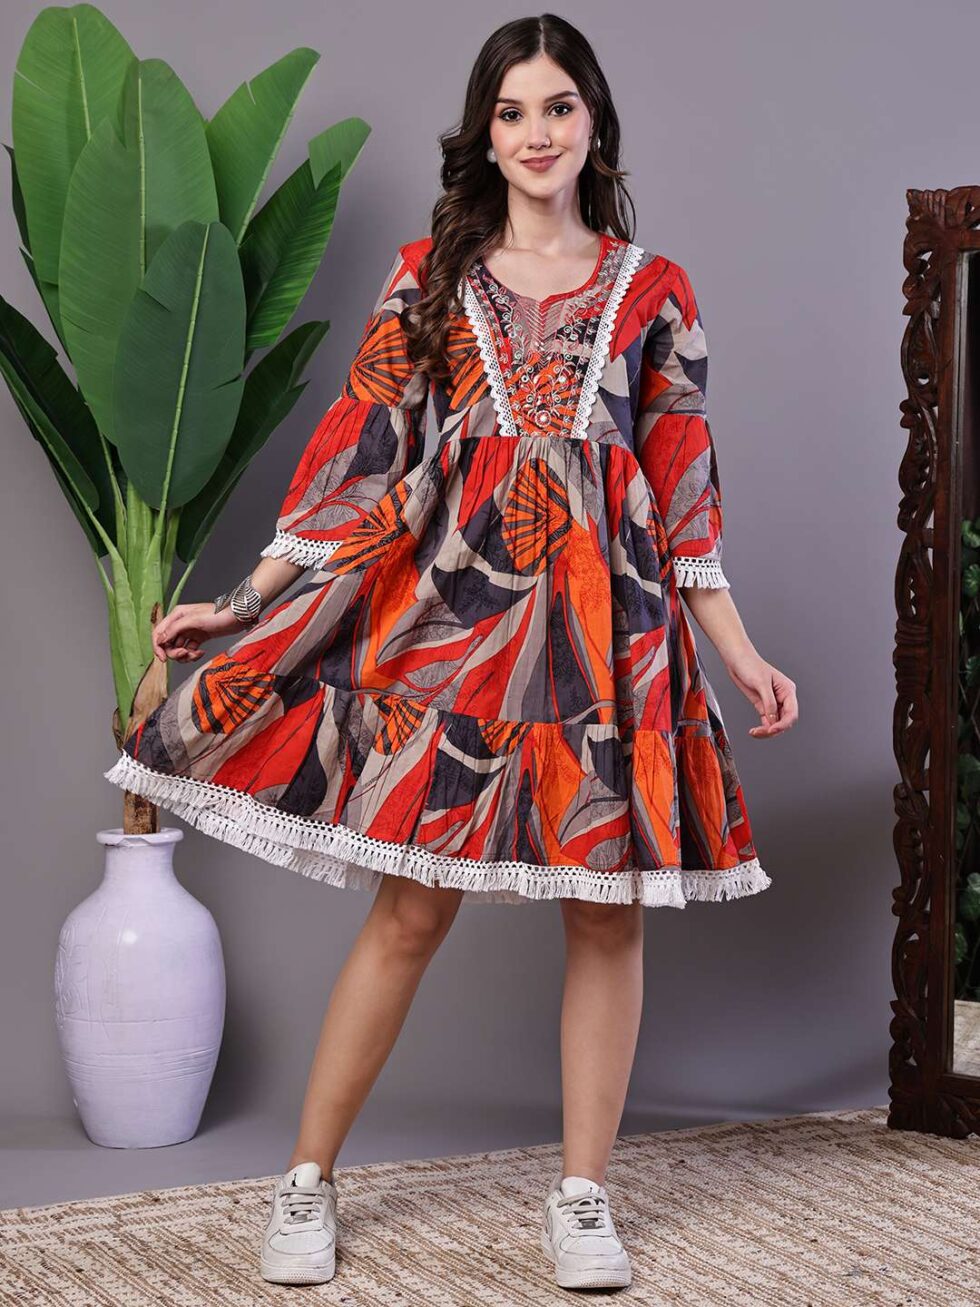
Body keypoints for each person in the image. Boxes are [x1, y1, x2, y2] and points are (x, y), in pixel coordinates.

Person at [103, 12, 797, 1293]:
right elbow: (363, 456)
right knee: (411, 906)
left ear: (593, 122)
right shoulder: (430, 276)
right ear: (484, 133)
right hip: (453, 631)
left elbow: (680, 486)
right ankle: (306, 1180)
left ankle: (582, 1197)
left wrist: (737, 652)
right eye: (511, 112)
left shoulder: (654, 289)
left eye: (558, 108)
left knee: (605, 913)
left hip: (607, 638)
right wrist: (243, 600)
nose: (536, 134)